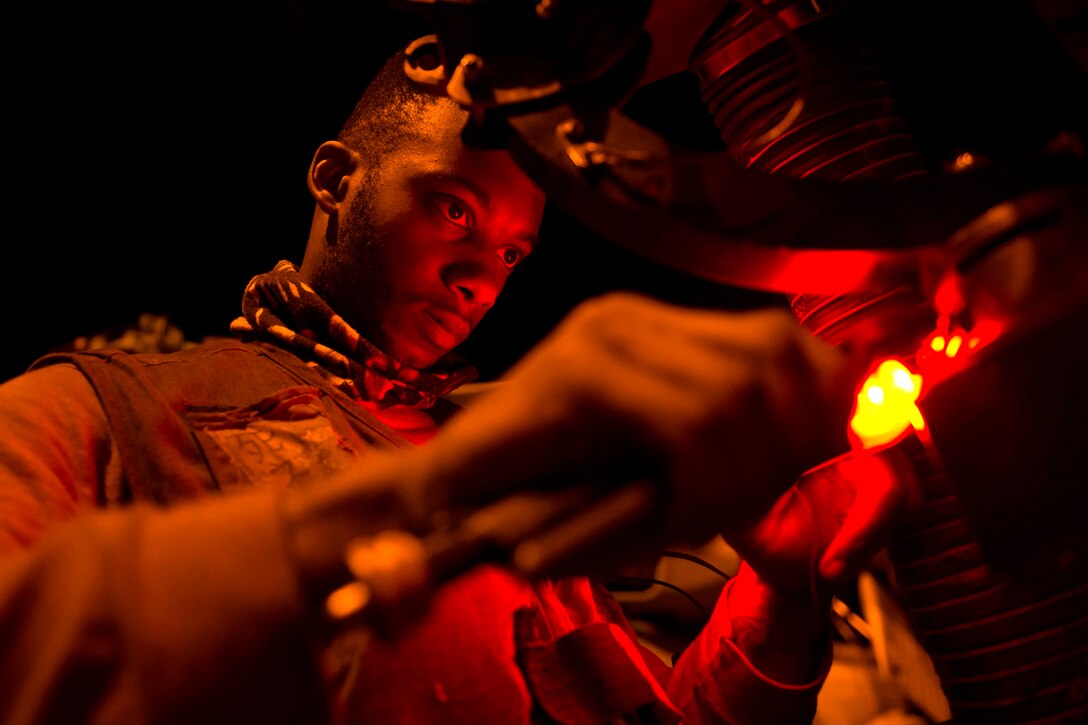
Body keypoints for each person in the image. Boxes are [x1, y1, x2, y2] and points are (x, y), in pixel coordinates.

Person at [0, 50, 905, 724]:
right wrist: (430, 490)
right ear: (333, 180)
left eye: (513, 253)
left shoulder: (518, 480)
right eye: (455, 210)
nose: (483, 278)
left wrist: (780, 589)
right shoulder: (101, 410)